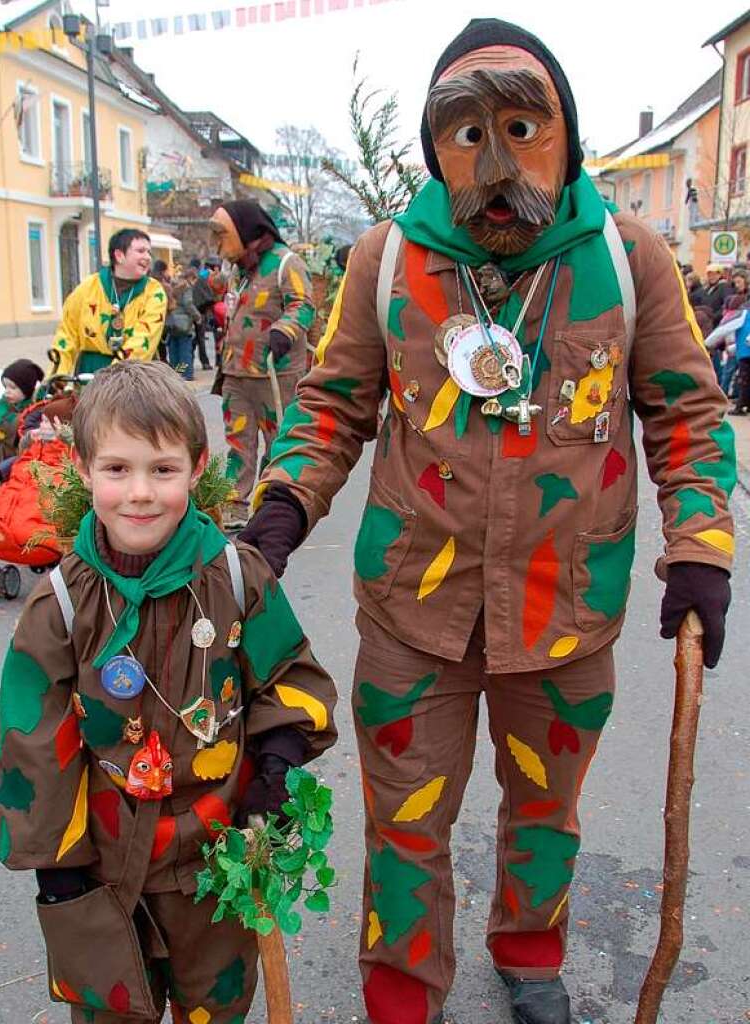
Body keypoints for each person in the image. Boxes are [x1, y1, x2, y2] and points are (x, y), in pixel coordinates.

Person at [240, 18, 736, 1024]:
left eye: (521, 126)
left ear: (566, 133)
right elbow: (333, 401)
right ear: (434, 147)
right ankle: (400, 984)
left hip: (565, 609)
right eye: (468, 135)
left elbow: (685, 412)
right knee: (405, 819)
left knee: (544, 809)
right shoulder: (386, 257)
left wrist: (701, 550)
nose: (497, 162)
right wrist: (282, 507)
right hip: (408, 612)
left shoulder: (627, 256)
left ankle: (527, 949)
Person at [0, 360, 337, 1024]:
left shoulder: (235, 576)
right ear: (84, 468)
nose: (140, 493)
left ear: (197, 466)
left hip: (216, 854)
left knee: (217, 1005)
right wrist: (56, 871)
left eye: (162, 470)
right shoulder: (62, 601)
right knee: (114, 1010)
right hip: (103, 865)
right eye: (117, 470)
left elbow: (289, 674)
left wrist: (278, 760)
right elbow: (28, 738)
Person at [209, 200, 315, 529]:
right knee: (238, 444)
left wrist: (283, 331)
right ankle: (233, 506)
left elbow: (303, 304)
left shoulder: (286, 263)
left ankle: (273, 505)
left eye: (223, 235)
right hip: (235, 373)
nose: (219, 243)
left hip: (275, 374)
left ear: (245, 230)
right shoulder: (242, 269)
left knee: (278, 443)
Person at [50, 229, 167, 375]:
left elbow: (143, 339)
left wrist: (111, 378)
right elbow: (67, 334)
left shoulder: (153, 291)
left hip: (134, 375)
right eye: (141, 251)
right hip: (89, 371)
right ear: (119, 255)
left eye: (149, 252)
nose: (148, 257)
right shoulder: (88, 287)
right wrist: (57, 377)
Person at [0, 358, 44, 477]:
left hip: (32, 457)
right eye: (5, 387)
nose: (7, 392)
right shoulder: (0, 406)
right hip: (9, 456)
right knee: (10, 482)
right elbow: (1, 422)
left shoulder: (36, 401)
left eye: (12, 388)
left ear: (27, 389)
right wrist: (27, 419)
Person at [165, 270, 201, 381]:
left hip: (171, 321)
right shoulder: (186, 287)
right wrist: (197, 316)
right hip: (184, 323)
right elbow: (188, 303)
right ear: (191, 278)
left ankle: (176, 374)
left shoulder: (171, 284)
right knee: (185, 350)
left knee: (174, 349)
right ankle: (186, 374)